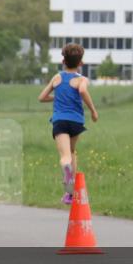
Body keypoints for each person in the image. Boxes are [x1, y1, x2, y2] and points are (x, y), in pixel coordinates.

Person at [38, 43, 99, 204]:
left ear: (63, 61)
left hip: (60, 121)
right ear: (81, 63)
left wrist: (56, 97)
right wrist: (93, 111)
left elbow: (42, 97)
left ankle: (67, 181)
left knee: (65, 157)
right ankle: (70, 194)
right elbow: (83, 91)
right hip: (76, 122)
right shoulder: (82, 79)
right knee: (72, 151)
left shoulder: (57, 78)